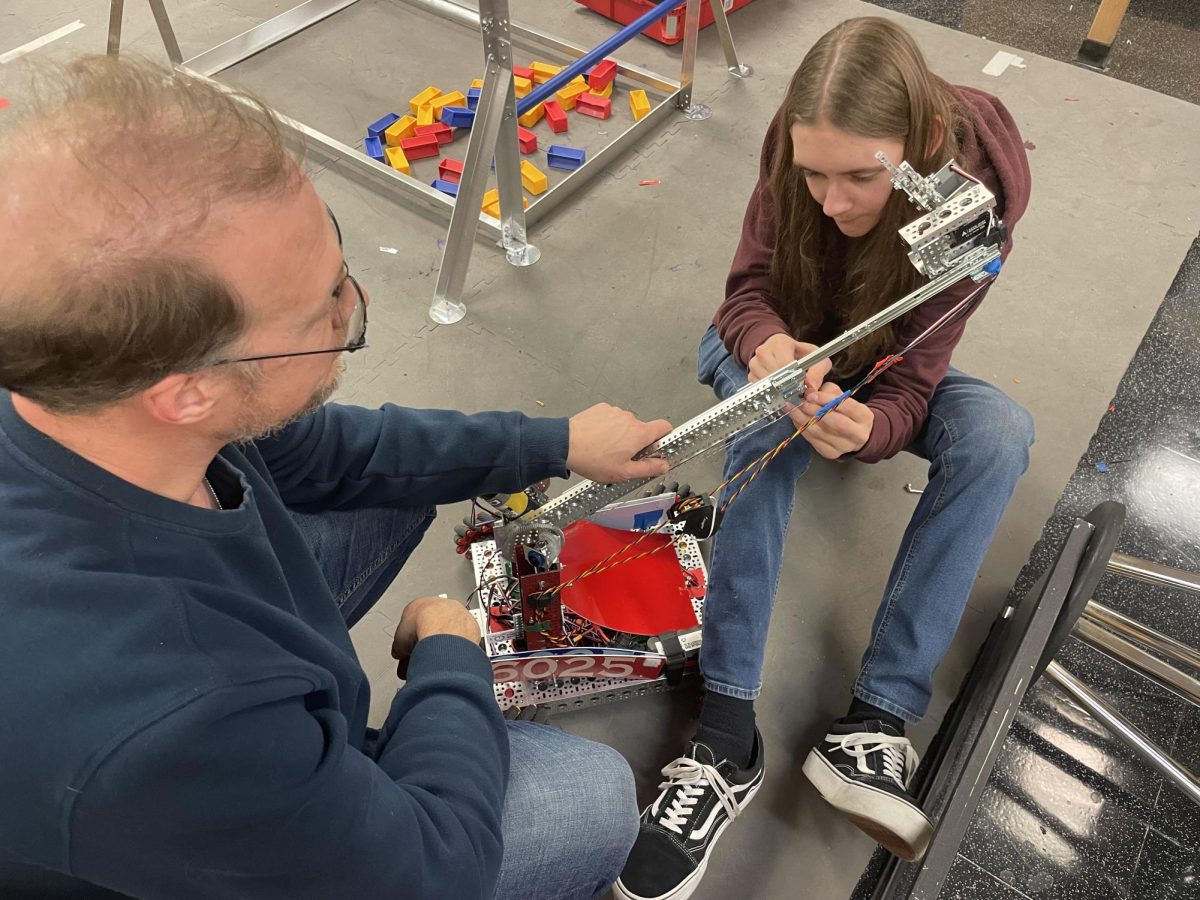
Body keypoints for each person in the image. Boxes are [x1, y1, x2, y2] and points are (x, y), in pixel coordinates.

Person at [0, 56, 674, 900]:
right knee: (595, 796)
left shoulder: (76, 378)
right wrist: (449, 655)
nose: (353, 302)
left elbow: (326, 452)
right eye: (325, 305)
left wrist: (557, 439)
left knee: (395, 491)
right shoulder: (176, 716)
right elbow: (438, 871)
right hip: (206, 810)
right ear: (188, 391)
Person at [616, 17, 1033, 900]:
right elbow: (744, 296)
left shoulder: (979, 198)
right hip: (775, 355)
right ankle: (727, 736)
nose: (833, 201)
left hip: (873, 371)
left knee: (999, 432)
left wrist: (870, 431)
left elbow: (916, 384)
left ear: (920, 148)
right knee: (767, 422)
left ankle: (874, 721)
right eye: (813, 174)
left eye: (859, 177)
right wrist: (770, 349)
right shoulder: (796, 139)